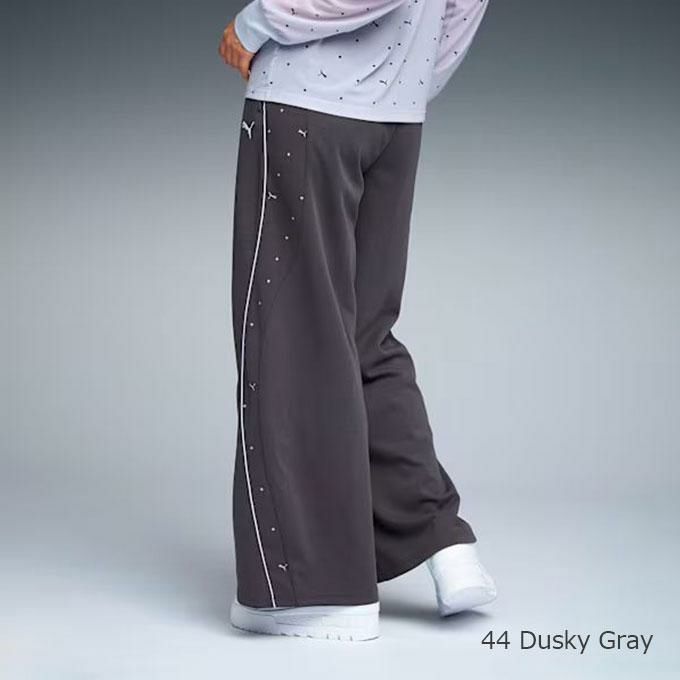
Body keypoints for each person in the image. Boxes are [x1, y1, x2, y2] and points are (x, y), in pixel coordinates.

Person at [218, 0, 495, 641]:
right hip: (394, 121)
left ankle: (312, 594)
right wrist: (406, 82)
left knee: (289, 341)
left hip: (307, 110)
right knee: (364, 336)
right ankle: (441, 539)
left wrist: (255, 23)